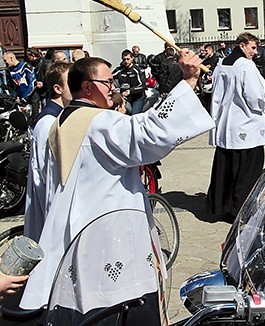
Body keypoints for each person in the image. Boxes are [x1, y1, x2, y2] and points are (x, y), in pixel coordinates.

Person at [20, 51, 214, 321]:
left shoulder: (62, 121)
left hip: (82, 231)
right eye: (108, 83)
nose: (114, 88)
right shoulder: (97, 122)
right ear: (87, 87)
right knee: (120, 307)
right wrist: (189, 81)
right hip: (109, 236)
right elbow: (147, 134)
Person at [207, 32, 265, 222]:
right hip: (245, 124)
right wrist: (264, 101)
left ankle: (217, 207)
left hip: (226, 123)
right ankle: (239, 210)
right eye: (252, 48)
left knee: (225, 169)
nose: (255, 52)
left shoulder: (222, 64)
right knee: (245, 172)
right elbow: (255, 97)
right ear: (242, 45)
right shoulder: (245, 66)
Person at [24, 61, 73, 242]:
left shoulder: (60, 117)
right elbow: (47, 177)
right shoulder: (48, 124)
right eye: (71, 83)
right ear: (58, 88)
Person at [3, 51, 39, 117]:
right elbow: (10, 85)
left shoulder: (26, 66)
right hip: (19, 99)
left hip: (32, 97)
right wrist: (14, 96)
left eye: (5, 60)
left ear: (11, 58)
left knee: (35, 118)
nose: (5, 63)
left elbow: (33, 83)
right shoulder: (8, 70)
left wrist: (25, 98)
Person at [112, 49, 146, 114]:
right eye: (124, 59)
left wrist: (130, 91)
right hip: (124, 98)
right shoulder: (120, 70)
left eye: (128, 59)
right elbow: (109, 77)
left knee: (134, 115)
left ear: (132, 58)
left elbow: (142, 86)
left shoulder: (138, 70)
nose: (126, 61)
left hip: (137, 98)